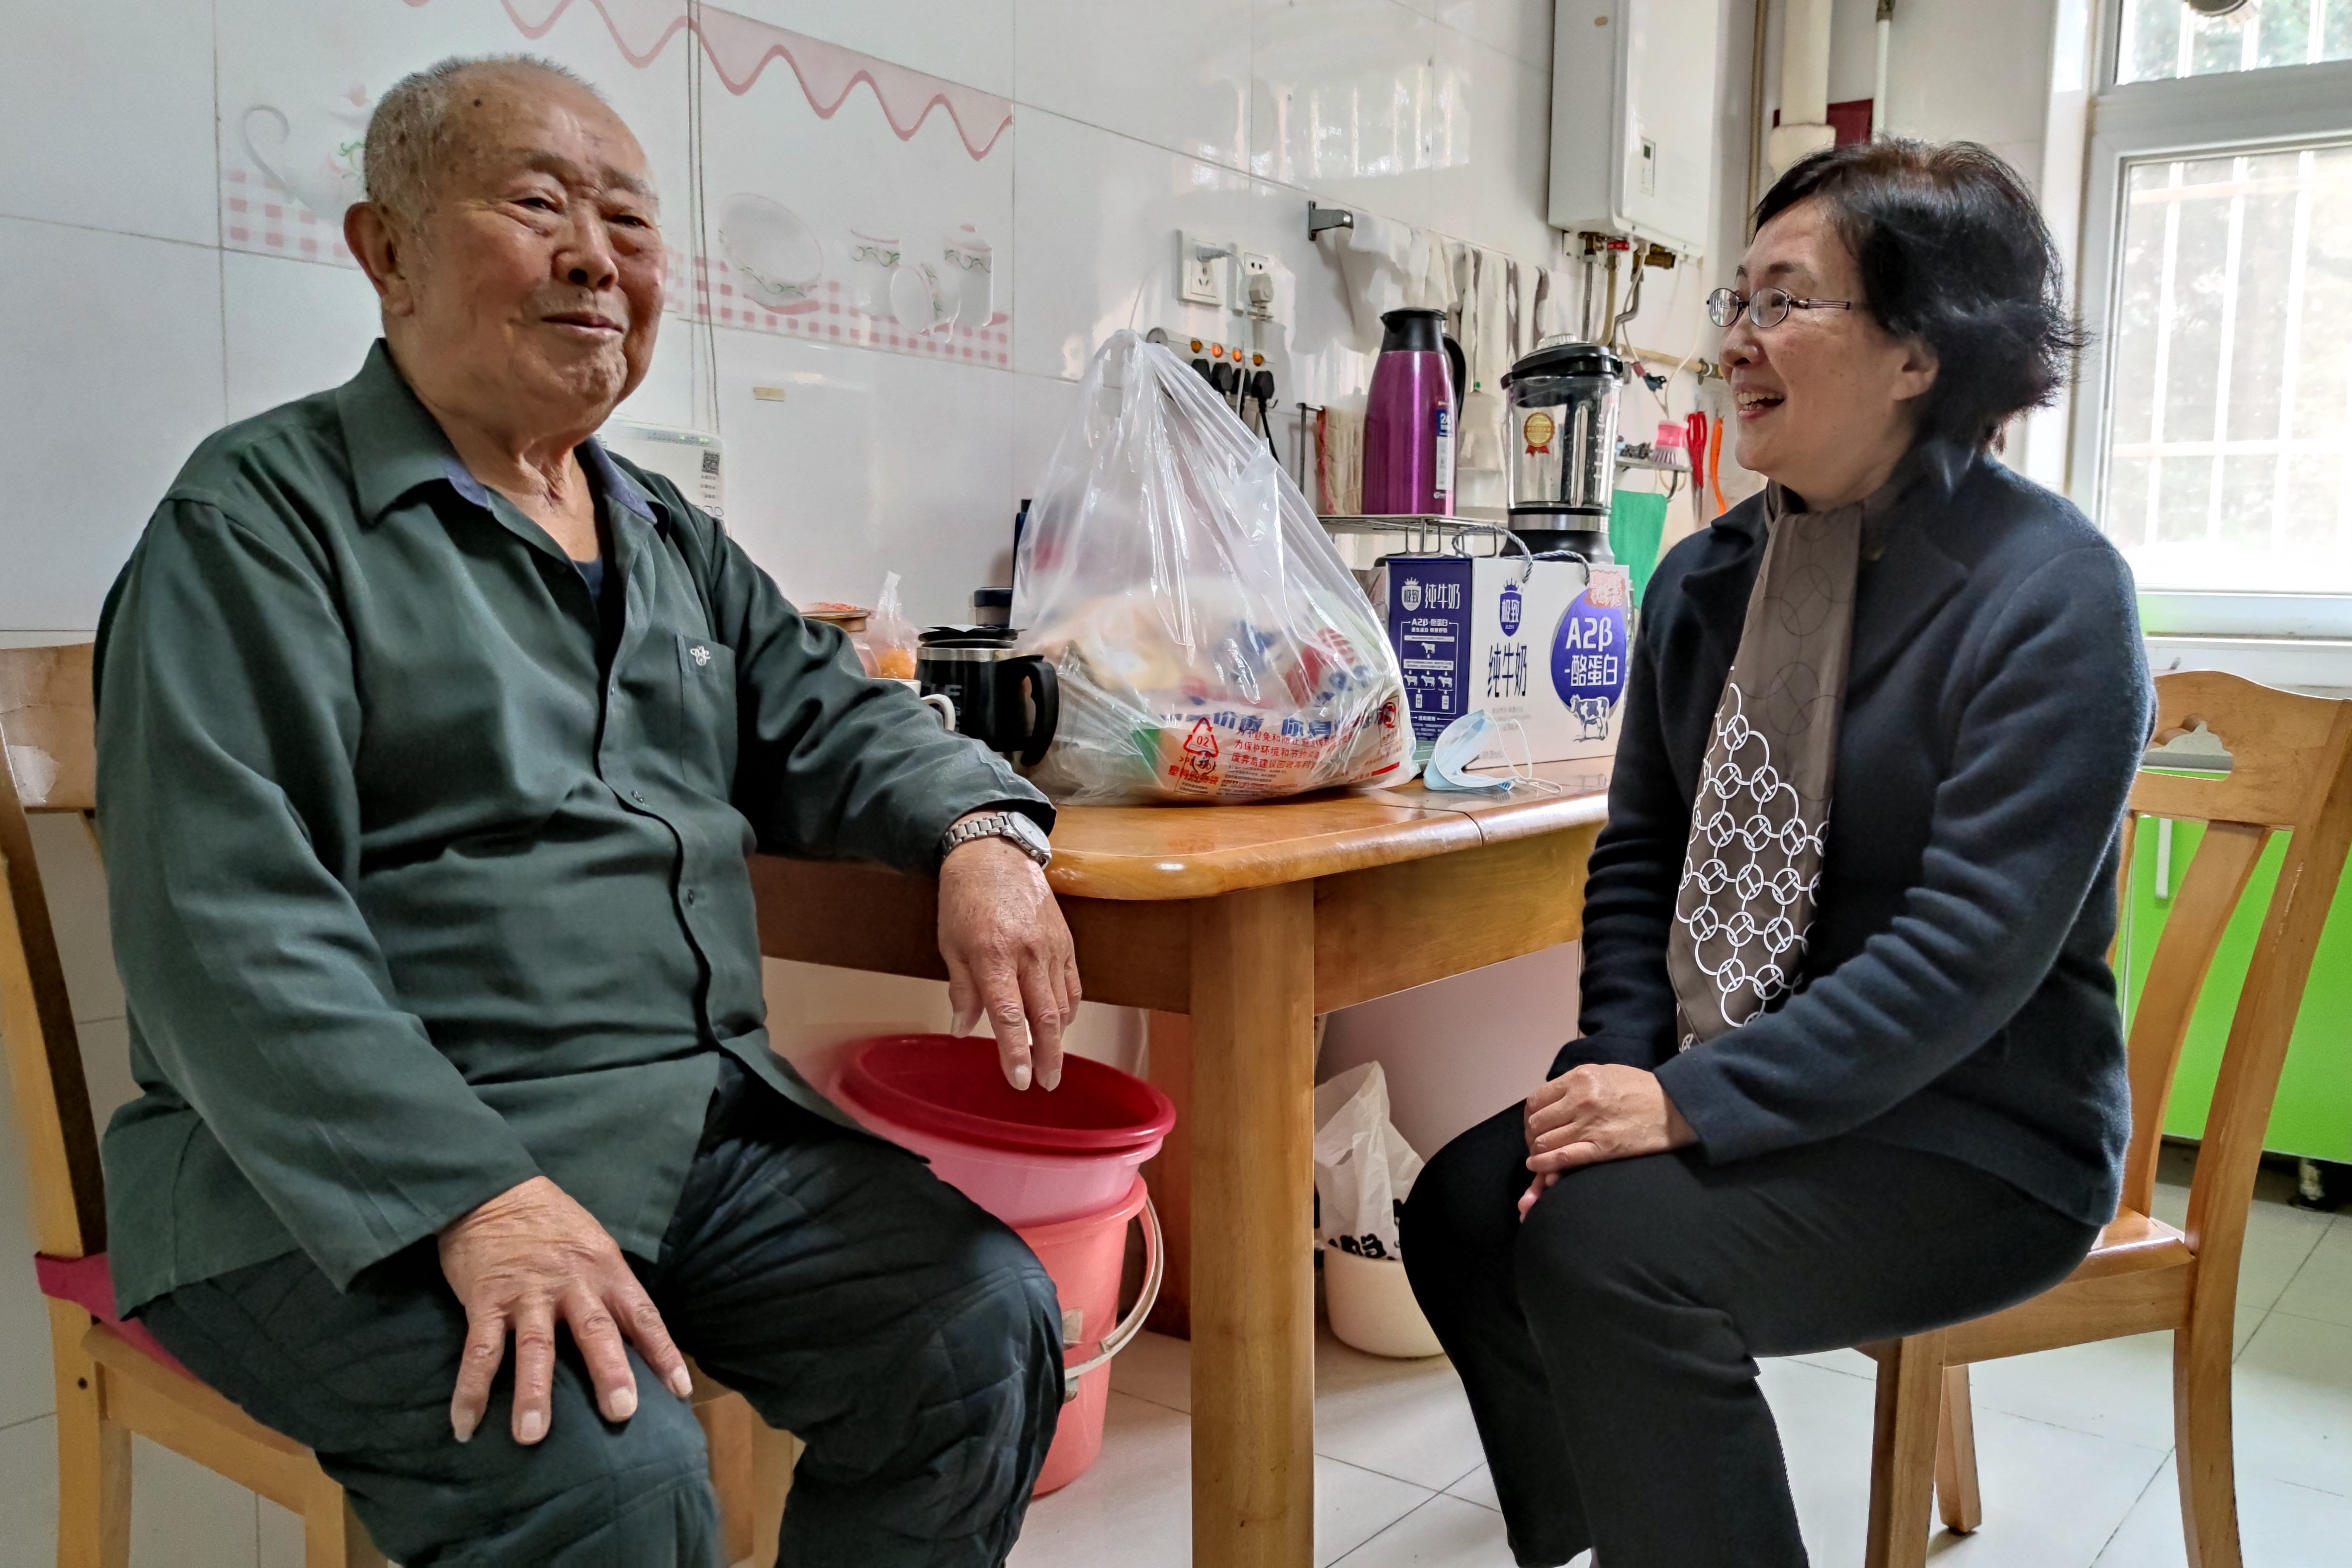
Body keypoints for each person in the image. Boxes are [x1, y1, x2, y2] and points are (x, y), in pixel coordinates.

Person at [96, 54, 1075, 1567]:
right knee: (607, 1478)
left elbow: (836, 715)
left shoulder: (663, 533)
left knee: (975, 1330)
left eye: (626, 220)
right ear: (386, 251)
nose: (593, 259)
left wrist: (983, 833)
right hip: (326, 1168)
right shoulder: (256, 520)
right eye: (537, 204)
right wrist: (475, 1195)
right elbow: (223, 926)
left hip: (679, 1132)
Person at [1401, 139, 2154, 1568]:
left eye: (1784, 302)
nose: (1734, 343)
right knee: (1463, 1210)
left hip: (1975, 1134)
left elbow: (1967, 954)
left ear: (1920, 353)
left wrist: (1685, 1107)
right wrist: (1611, 1075)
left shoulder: (2050, 592)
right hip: (1732, 1072)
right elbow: (1644, 856)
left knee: (1607, 1253)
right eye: (1733, 302)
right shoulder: (1705, 577)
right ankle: (1624, 1527)